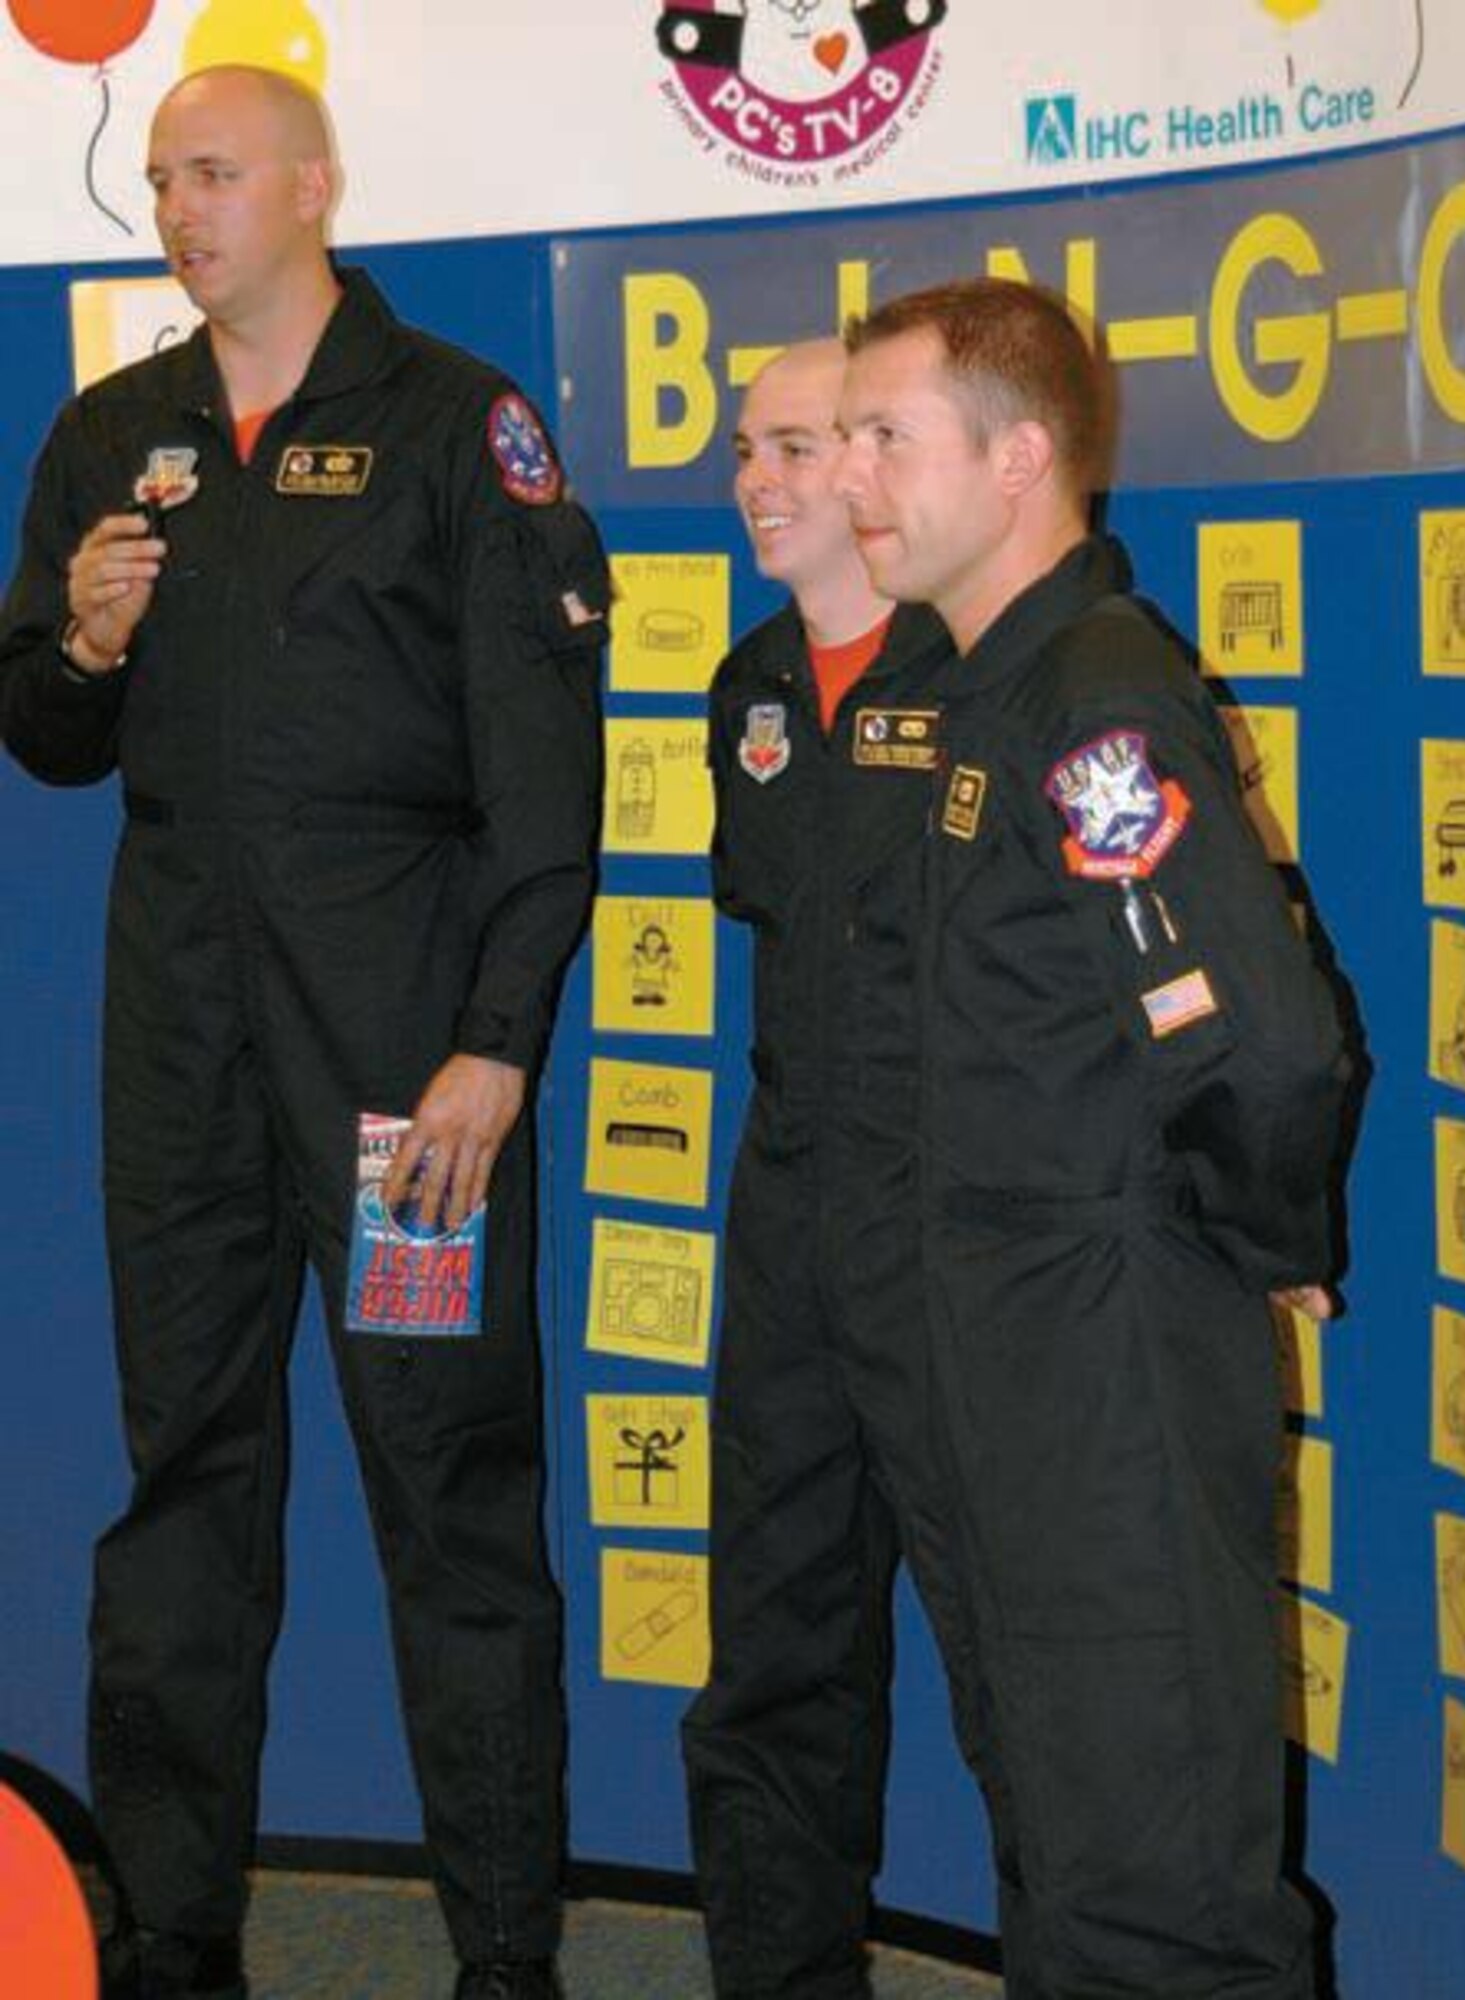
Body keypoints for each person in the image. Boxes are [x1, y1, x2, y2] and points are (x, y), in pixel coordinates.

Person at [0, 65, 607, 2000]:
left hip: (400, 1070)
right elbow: (43, 730)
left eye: (219, 172)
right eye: (164, 175)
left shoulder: (455, 427)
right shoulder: (115, 431)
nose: (182, 205)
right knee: (185, 1476)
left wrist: (496, 1041)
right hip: (181, 1049)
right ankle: (177, 1934)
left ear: (316, 186)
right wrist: (81, 643)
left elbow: (543, 779)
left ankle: (503, 1949)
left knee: (447, 1489)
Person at [823, 276, 1349, 1998]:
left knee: (1159, 1881)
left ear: (1022, 457)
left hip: (1108, 1356)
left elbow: (1262, 1046)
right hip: (1013, 1361)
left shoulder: (1097, 703)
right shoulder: (992, 690)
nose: (850, 480)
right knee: (1065, 1845)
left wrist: (1263, 1242)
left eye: (890, 437)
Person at [680, 340, 960, 1997]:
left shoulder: (992, 667)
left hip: (964, 1234)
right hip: (788, 1221)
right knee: (774, 1658)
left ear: (872, 463)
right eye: (744, 449)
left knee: (1037, 1676)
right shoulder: (751, 686)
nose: (757, 481)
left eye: (792, 444)